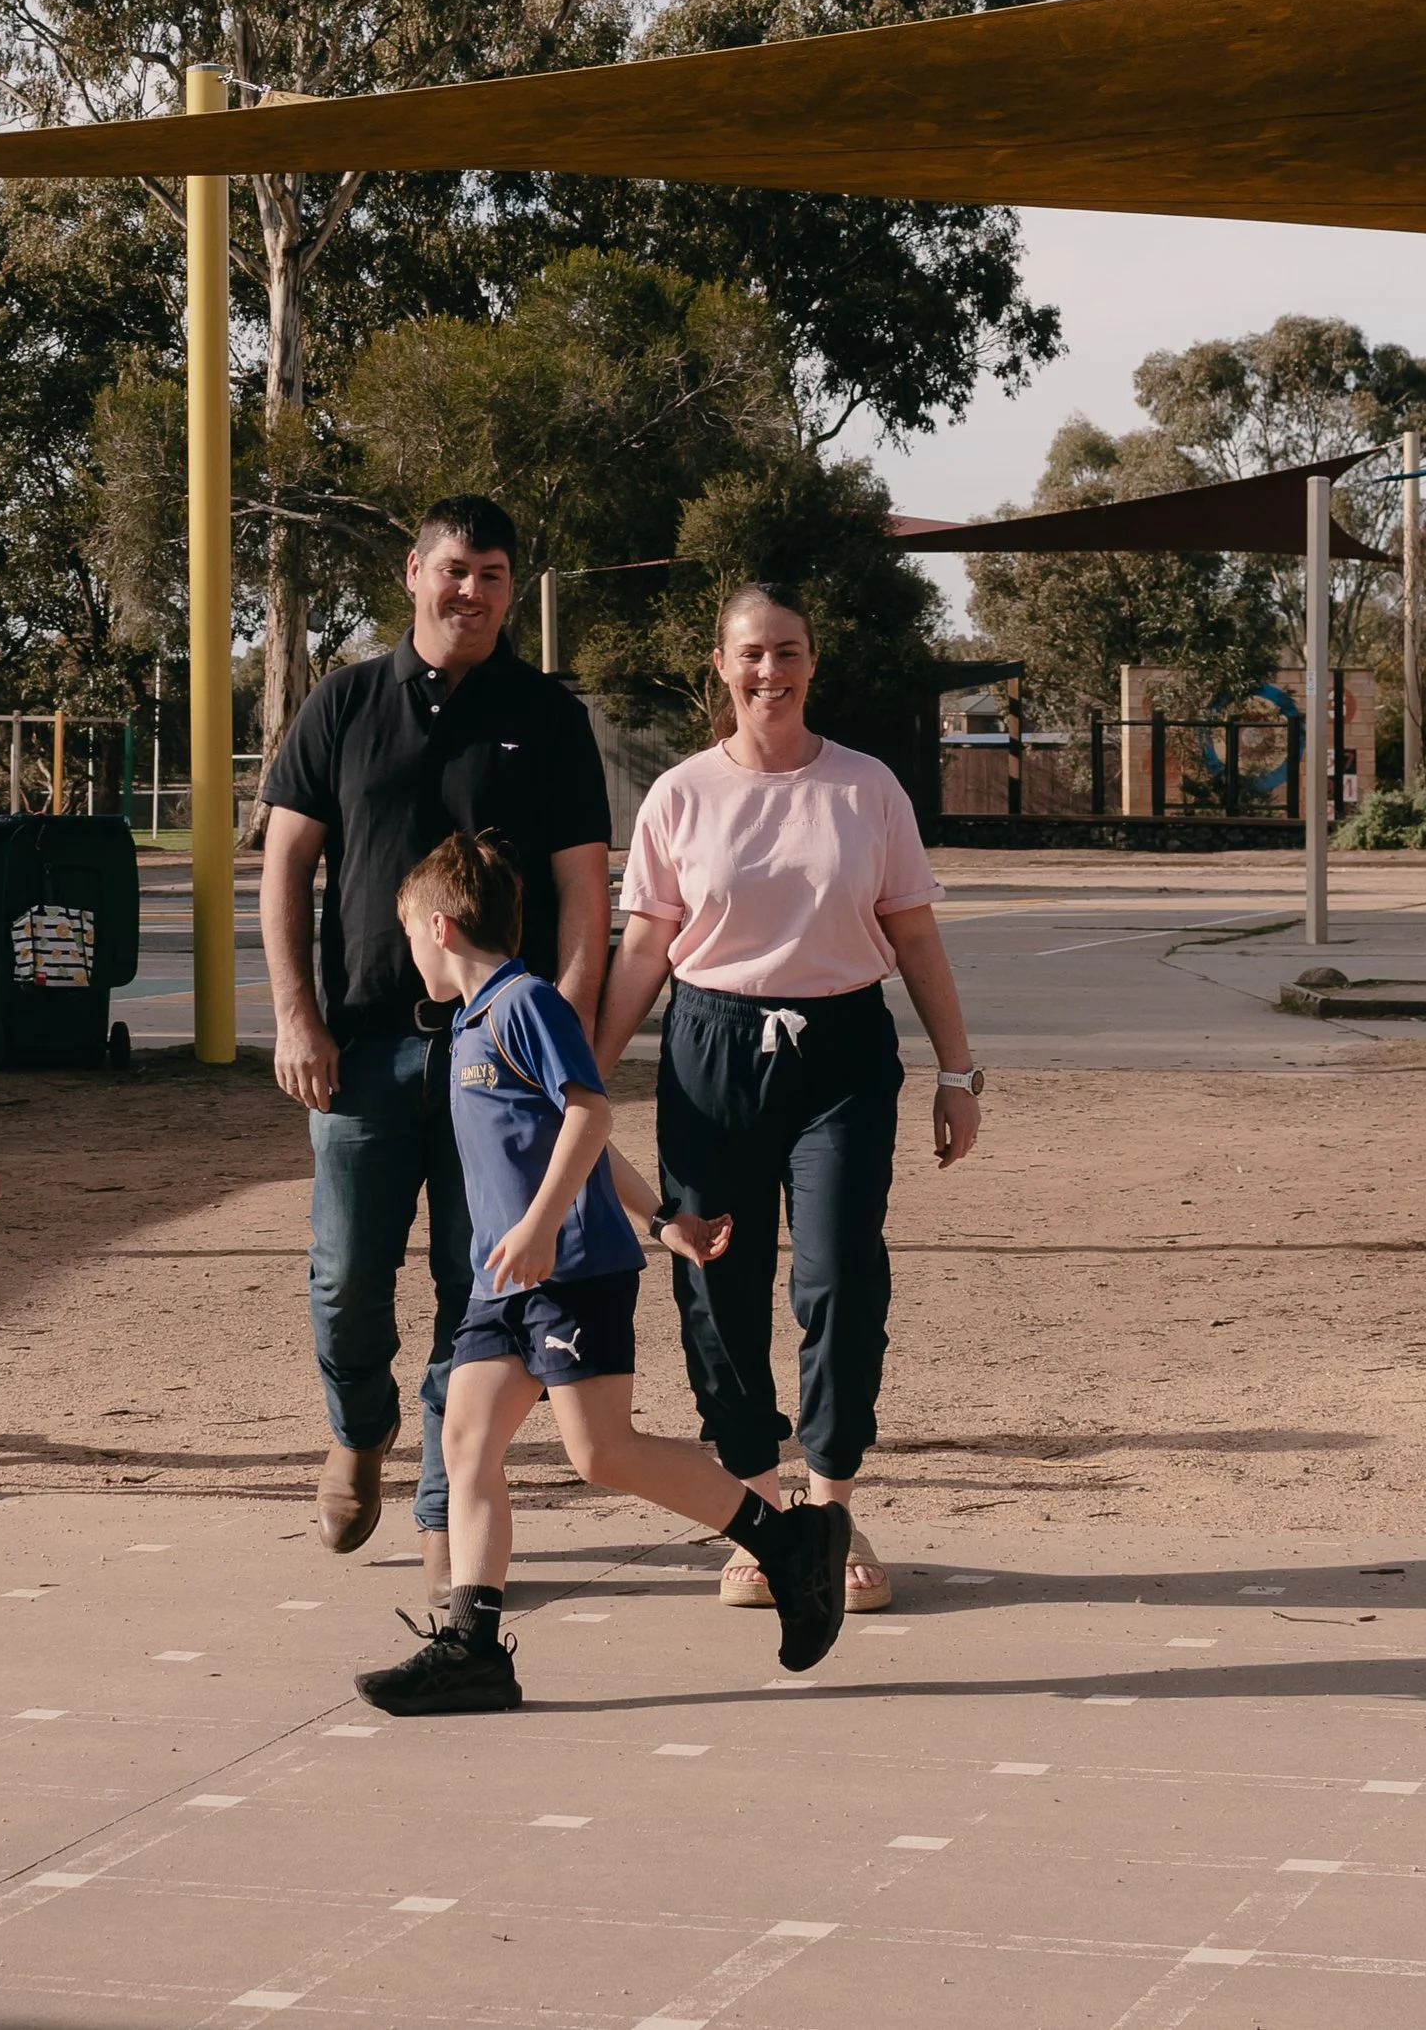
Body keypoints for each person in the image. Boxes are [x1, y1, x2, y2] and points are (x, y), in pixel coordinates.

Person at [353, 831, 850, 1716]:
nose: (407, 954)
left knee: (602, 1453)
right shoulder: (471, 1021)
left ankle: (787, 1542)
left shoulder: (524, 1004)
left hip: (571, 1271)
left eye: (407, 936)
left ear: (440, 926)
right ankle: (473, 1650)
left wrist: (546, 1228)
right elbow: (570, 1136)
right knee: (465, 1443)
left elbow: (588, 1112)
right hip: (503, 1279)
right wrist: (663, 1218)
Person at [593, 582, 983, 1618]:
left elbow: (914, 936)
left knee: (840, 1276)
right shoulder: (679, 794)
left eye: (790, 651)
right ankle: (760, 1520)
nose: (772, 670)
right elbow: (644, 948)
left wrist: (956, 1071)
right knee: (716, 1277)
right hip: (712, 1047)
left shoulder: (867, 789)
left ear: (813, 662)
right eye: (752, 653)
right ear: (720, 666)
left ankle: (832, 1504)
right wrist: (582, 1078)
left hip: (843, 1051)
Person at [260, 494, 613, 1602]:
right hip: (364, 1046)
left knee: (480, 1291)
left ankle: (436, 1509)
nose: (472, 591)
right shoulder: (344, 702)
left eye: (494, 574)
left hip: (497, 1064)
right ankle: (355, 1430)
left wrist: (561, 1036)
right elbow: (284, 867)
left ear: (512, 589)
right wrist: (295, 1015)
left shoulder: (548, 715)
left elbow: (581, 894)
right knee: (344, 1274)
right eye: (455, 569)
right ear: (413, 572)